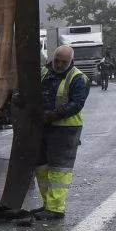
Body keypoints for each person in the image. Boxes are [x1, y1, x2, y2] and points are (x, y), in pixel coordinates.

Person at [32, 44, 88, 221]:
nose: (59, 64)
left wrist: (54, 115)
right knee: (41, 167)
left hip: (66, 128)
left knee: (59, 169)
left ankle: (56, 208)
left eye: (64, 62)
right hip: (44, 126)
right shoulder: (44, 72)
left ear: (71, 61)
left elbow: (77, 104)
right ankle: (48, 204)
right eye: (57, 60)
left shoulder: (78, 78)